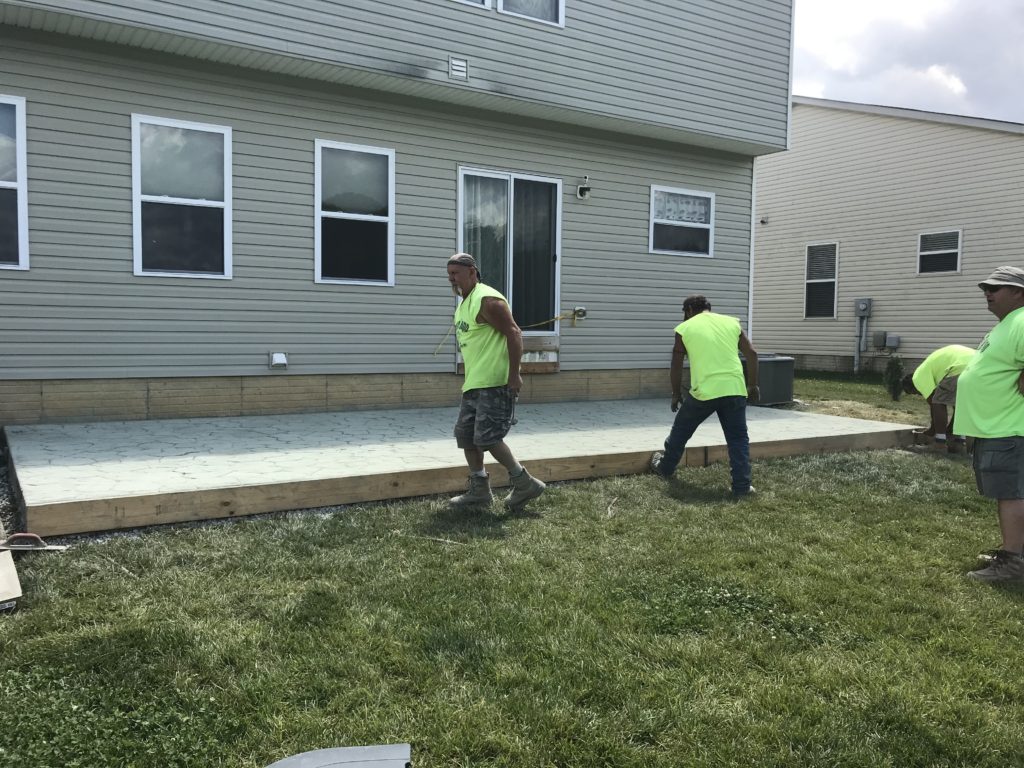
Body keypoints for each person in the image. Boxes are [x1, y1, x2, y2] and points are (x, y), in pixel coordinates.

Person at [445, 252, 546, 511]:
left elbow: (514, 333)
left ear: (472, 272)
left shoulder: (488, 299)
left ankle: (524, 482)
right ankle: (480, 491)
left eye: (456, 273)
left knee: (487, 438)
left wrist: (514, 374)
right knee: (466, 437)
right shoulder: (464, 304)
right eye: (449, 274)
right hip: (474, 383)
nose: (451, 278)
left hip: (495, 382)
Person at [954, 265, 1024, 582]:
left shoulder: (1022, 321)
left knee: (1011, 494)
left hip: (1009, 429)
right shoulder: (1008, 324)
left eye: (996, 288)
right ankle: (1014, 552)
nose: (988, 293)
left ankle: (1012, 564)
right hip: (997, 428)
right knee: (1009, 493)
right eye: (986, 288)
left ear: (1019, 292)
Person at [651, 294, 759, 497]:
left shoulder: (685, 329)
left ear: (689, 310)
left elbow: (676, 364)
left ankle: (665, 467)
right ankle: (742, 486)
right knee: (738, 439)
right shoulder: (731, 323)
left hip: (704, 392)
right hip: (734, 389)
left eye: (684, 313)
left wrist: (675, 393)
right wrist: (752, 385)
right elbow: (752, 354)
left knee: (681, 430)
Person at [901, 344, 975, 454]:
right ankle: (959, 443)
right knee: (961, 404)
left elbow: (934, 403)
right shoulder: (931, 369)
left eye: (916, 393)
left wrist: (933, 429)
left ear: (913, 387)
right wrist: (950, 429)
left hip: (960, 367)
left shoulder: (918, 377)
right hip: (979, 364)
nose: (920, 395)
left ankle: (939, 444)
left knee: (938, 402)